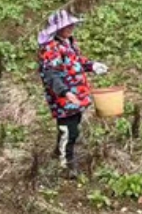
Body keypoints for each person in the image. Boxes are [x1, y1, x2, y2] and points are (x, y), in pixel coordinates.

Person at [37, 10, 107, 176]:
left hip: (77, 95)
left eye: (71, 24)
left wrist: (91, 65)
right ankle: (66, 165)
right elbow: (51, 74)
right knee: (70, 130)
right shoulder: (51, 48)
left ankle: (59, 151)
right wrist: (65, 92)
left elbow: (76, 62)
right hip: (63, 98)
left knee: (72, 125)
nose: (70, 27)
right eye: (66, 25)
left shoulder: (68, 43)